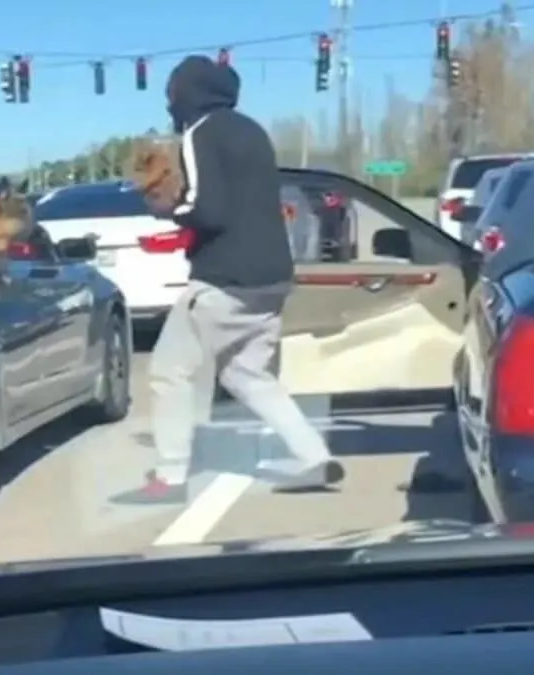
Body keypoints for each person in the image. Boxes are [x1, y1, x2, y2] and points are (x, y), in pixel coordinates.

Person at [112, 55, 344, 506]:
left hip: (225, 278)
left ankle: (169, 477)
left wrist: (167, 210)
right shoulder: (252, 130)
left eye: (171, 96)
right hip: (274, 275)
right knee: (247, 374)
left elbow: (208, 208)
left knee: (168, 370)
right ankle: (313, 456)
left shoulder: (203, 132)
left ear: (185, 94)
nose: (171, 106)